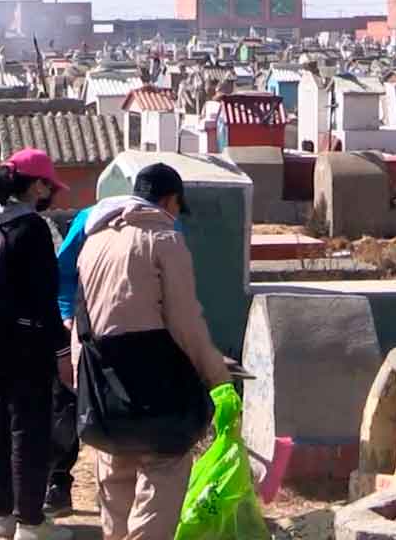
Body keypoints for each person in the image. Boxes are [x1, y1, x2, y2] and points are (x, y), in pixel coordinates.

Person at [75, 163, 234, 540]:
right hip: (154, 381)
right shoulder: (164, 239)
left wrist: (84, 384)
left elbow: (83, 322)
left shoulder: (93, 241)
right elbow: (185, 322)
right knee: (164, 471)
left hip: (103, 383)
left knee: (115, 474)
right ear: (170, 200)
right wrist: (217, 377)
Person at [0, 149, 72, 540]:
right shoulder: (31, 228)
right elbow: (44, 297)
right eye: (48, 184)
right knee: (28, 430)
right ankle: (31, 522)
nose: (51, 192)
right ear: (35, 185)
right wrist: (62, 350)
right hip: (29, 343)